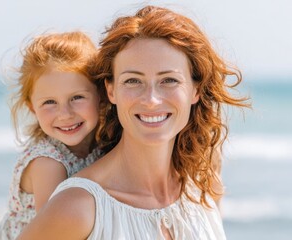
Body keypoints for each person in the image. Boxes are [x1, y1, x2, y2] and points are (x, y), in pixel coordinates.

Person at [18, 5, 250, 240]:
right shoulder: (79, 206)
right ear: (110, 91)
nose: (151, 100)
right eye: (133, 81)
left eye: (168, 80)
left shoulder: (203, 185)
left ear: (195, 90)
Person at [0, 31, 103, 240]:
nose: (65, 114)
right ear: (32, 108)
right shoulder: (48, 164)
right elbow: (55, 233)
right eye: (49, 102)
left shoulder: (103, 146)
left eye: (77, 97)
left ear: (102, 96)